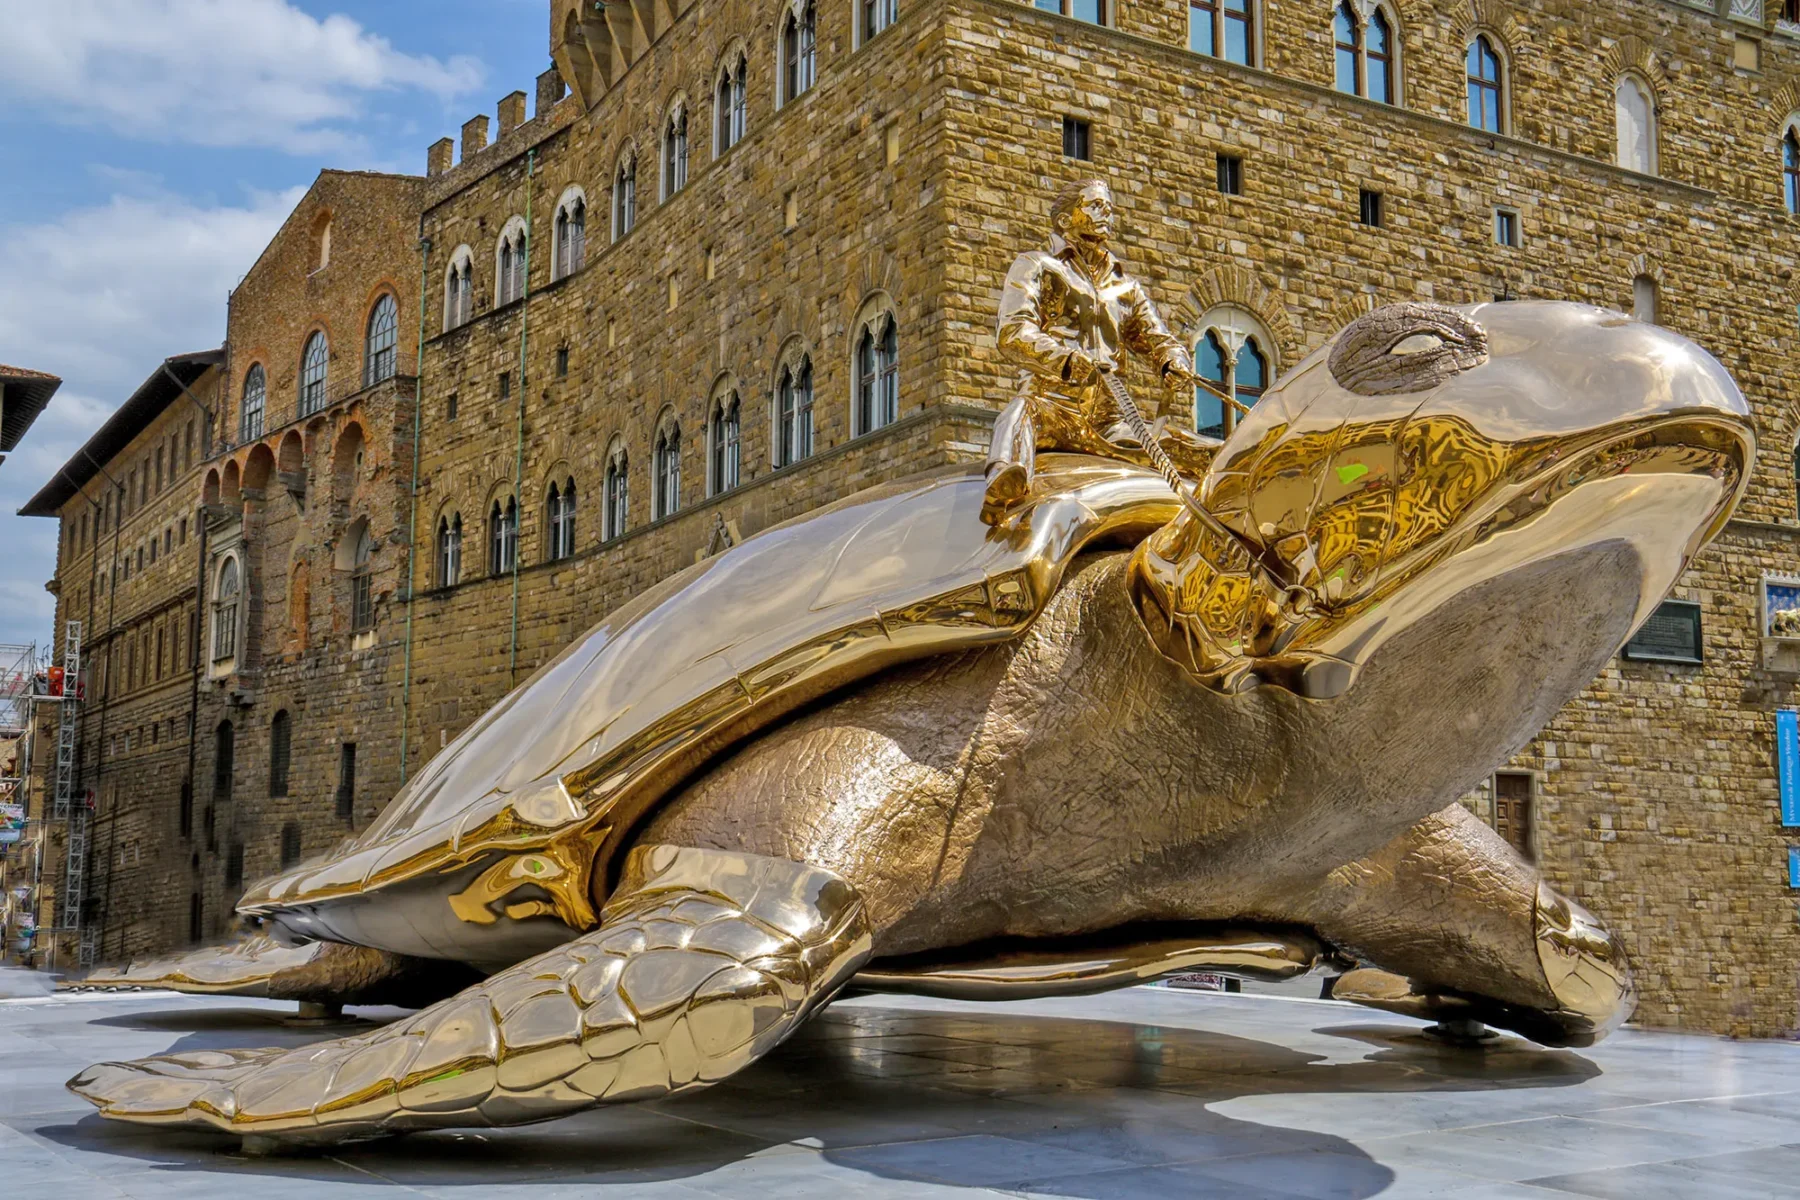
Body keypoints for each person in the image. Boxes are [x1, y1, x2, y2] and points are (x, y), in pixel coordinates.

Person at [984, 178, 1226, 523]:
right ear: (1065, 220)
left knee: (1191, 446)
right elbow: (1012, 331)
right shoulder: (1036, 265)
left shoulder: (1125, 286)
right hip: (1054, 405)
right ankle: (1004, 478)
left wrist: (1174, 361)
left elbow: (1158, 338)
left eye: (1109, 208)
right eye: (1095, 206)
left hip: (1112, 421)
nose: (1106, 214)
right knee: (1020, 412)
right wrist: (1065, 359)